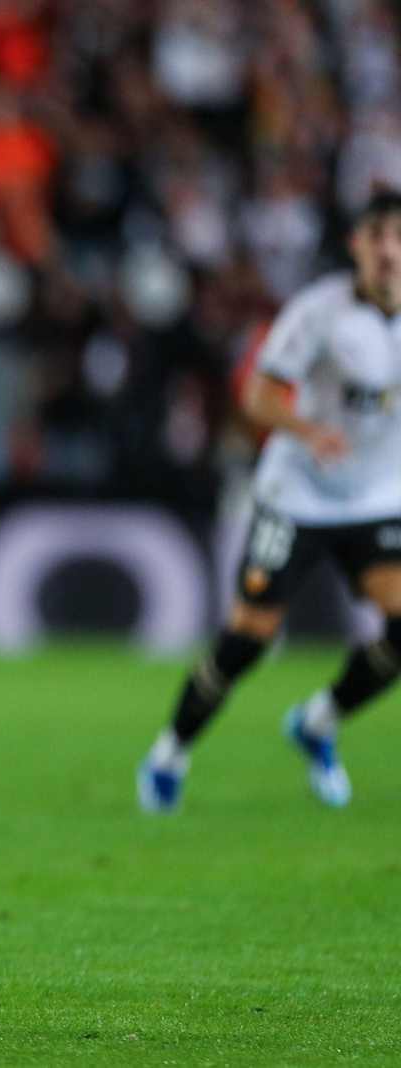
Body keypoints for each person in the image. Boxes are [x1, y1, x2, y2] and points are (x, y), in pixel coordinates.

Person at [138, 188, 401, 813]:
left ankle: (319, 721)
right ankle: (170, 751)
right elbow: (258, 396)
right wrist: (310, 432)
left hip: (374, 495)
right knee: (250, 636)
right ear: (356, 246)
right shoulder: (318, 313)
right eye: (380, 237)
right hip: (299, 493)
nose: (391, 252)